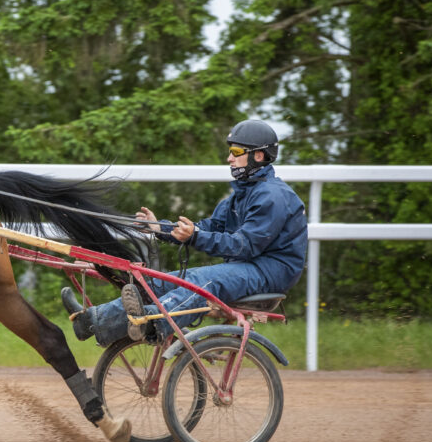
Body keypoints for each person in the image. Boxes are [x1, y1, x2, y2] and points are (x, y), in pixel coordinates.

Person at [62, 119, 308, 345]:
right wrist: (160, 228)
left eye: (235, 152)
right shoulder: (241, 194)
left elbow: (244, 246)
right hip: (249, 266)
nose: (229, 159)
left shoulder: (273, 197)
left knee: (203, 282)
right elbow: (207, 228)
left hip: (270, 272)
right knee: (163, 281)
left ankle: (152, 323)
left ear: (259, 155)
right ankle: (92, 321)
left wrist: (196, 237)